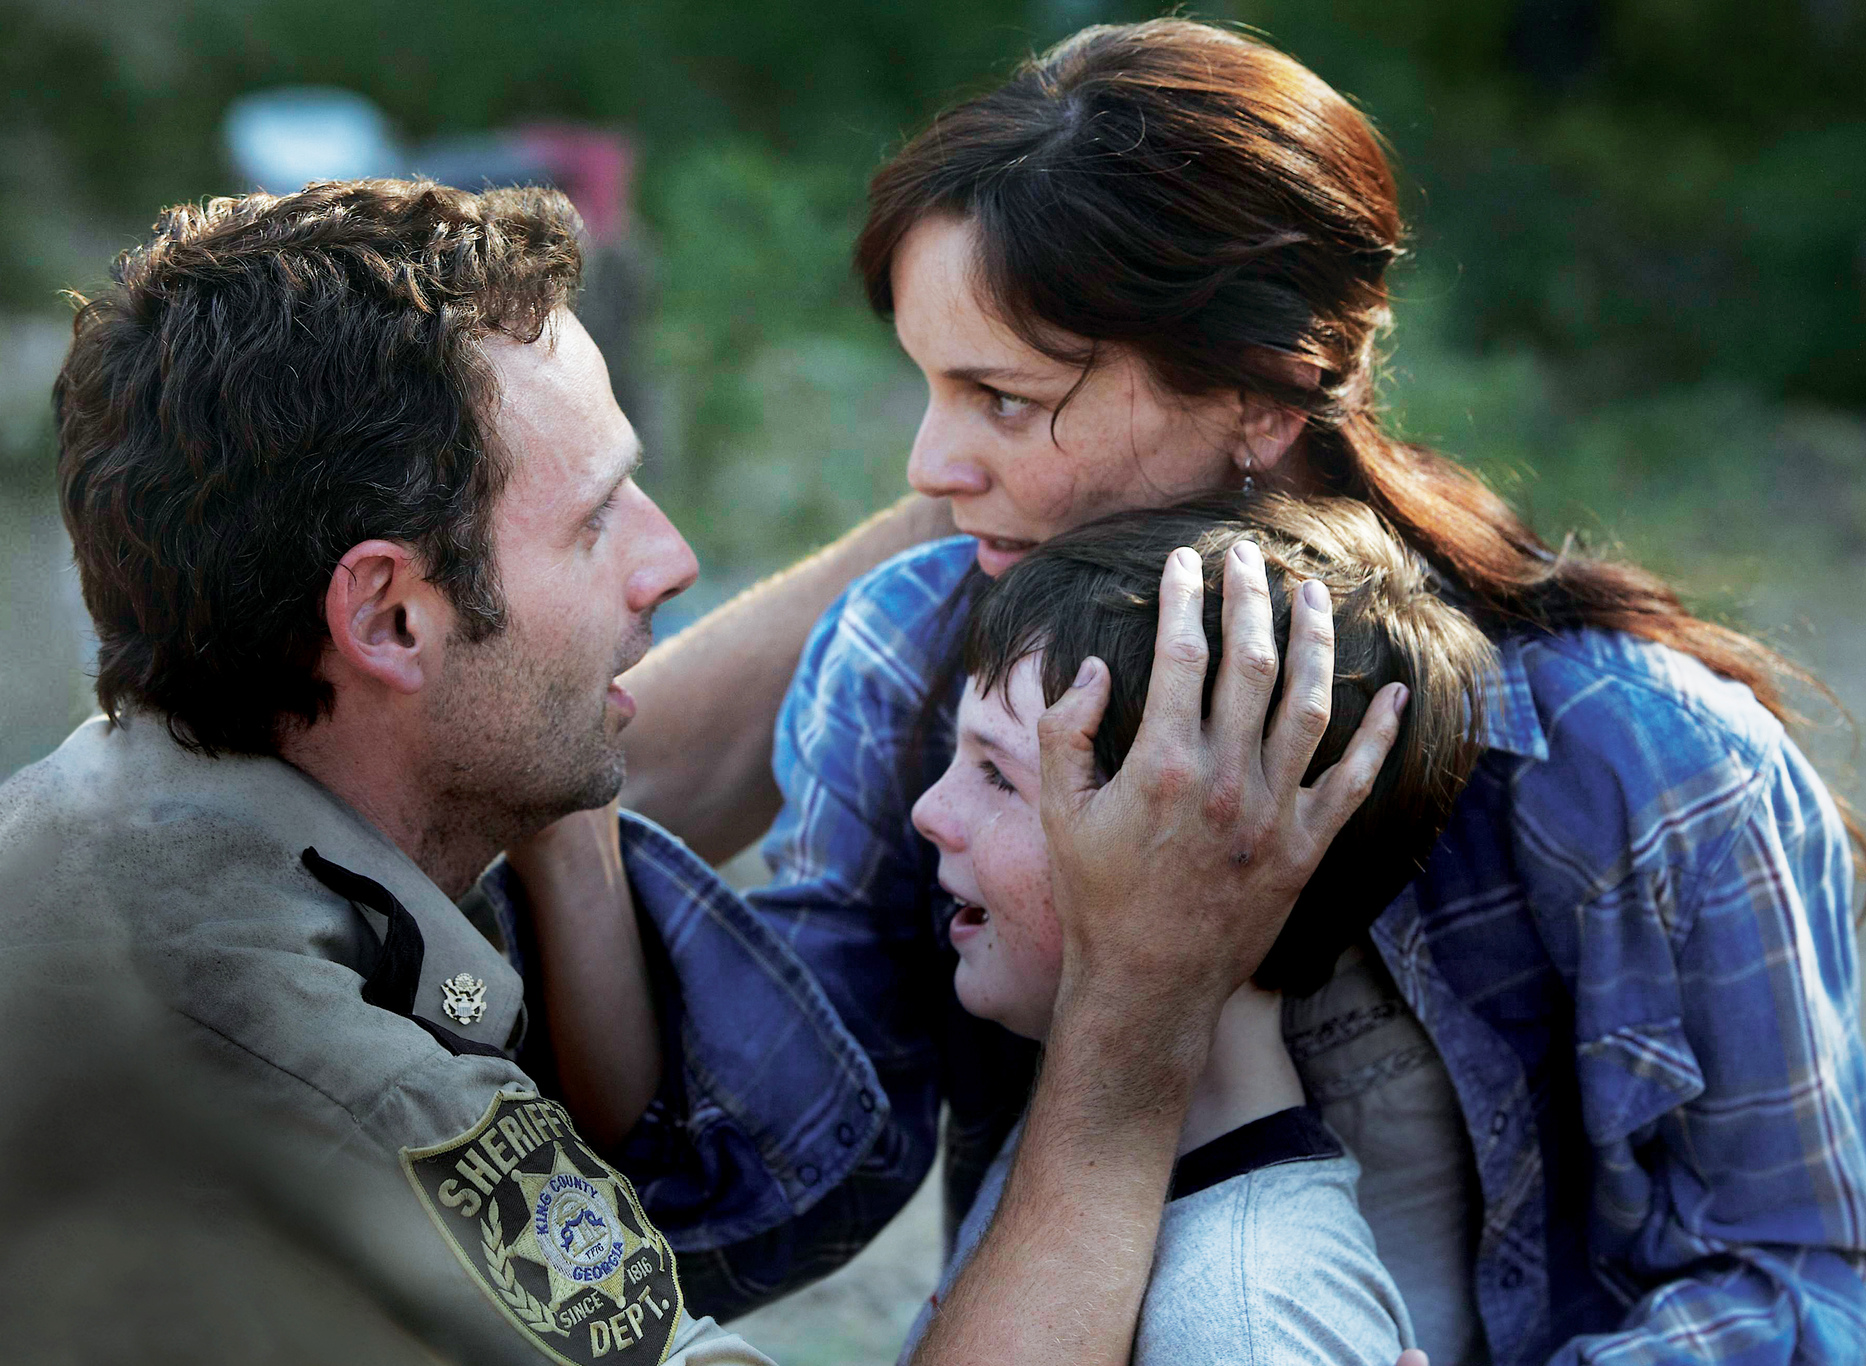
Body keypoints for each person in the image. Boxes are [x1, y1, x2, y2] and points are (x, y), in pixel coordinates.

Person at [524, 18, 1866, 1366]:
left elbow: (1791, 1272)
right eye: (928, 385)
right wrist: (561, 799)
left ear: (1259, 395)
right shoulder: (910, 658)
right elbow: (769, 1190)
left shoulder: (1631, 753)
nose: (932, 463)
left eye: (1006, 398)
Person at [0, 177, 1404, 1365]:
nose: (670, 560)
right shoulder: (326, 1081)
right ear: (386, 618)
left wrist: (1014, 475)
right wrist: (1138, 1012)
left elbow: (598, 752)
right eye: (601, 515)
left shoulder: (161, 804)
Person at [901, 494, 1497, 1365]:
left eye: (997, 777)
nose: (928, 810)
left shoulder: (1246, 1322)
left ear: (1228, 859)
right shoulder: (1072, 1155)